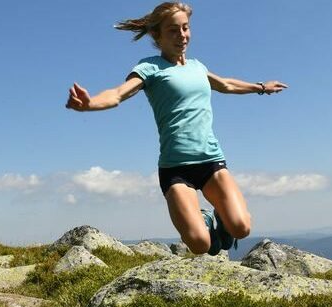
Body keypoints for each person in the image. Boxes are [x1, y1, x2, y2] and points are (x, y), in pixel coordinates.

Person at [65, 2, 288, 256]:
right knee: (201, 245)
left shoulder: (197, 67)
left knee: (242, 228)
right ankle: (203, 220)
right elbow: (117, 94)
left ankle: (221, 218)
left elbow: (226, 84)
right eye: (173, 30)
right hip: (175, 169)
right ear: (156, 36)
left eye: (185, 28)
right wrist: (90, 103)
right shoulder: (149, 68)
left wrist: (260, 86)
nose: (182, 35)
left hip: (211, 161)